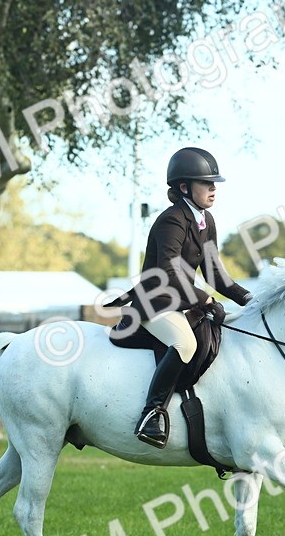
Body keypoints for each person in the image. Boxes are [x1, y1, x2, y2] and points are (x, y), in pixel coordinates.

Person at [108, 147, 252, 448]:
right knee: (185, 343)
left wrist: (248, 298)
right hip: (155, 302)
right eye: (206, 183)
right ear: (184, 187)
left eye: (214, 183)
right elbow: (169, 271)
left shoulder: (206, 220)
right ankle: (152, 414)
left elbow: (213, 272)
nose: (213, 189)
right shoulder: (171, 220)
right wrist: (204, 300)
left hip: (181, 302)